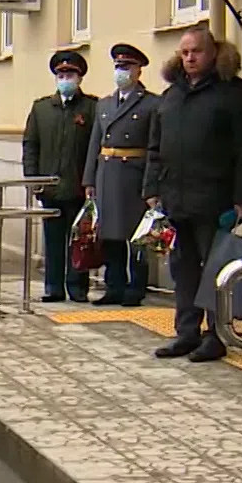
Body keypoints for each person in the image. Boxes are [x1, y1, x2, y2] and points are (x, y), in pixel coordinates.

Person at [143, 25, 242, 363]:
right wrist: (151, 190)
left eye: (196, 51)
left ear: (213, 53)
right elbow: (155, 147)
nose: (190, 58)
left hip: (216, 200)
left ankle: (216, 334)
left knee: (217, 270)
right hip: (175, 199)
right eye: (184, 52)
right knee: (183, 270)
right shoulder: (171, 96)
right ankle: (186, 332)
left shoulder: (234, 94)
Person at [81, 43, 158, 307]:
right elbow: (95, 143)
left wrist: (151, 185)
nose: (121, 72)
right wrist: (89, 179)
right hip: (107, 173)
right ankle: (114, 285)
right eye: (118, 67)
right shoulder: (104, 104)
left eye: (126, 67)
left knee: (136, 236)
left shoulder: (151, 104)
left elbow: (154, 147)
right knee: (110, 235)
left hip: (134, 175)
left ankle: (136, 287)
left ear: (138, 71)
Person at [23, 50, 98, 303]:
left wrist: (91, 181)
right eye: (61, 74)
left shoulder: (91, 108)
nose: (66, 78)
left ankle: (78, 287)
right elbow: (31, 144)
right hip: (50, 188)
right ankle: (53, 286)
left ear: (79, 78)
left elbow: (95, 148)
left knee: (80, 239)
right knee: (53, 240)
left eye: (70, 74)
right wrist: (32, 179)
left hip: (79, 187)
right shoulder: (42, 108)